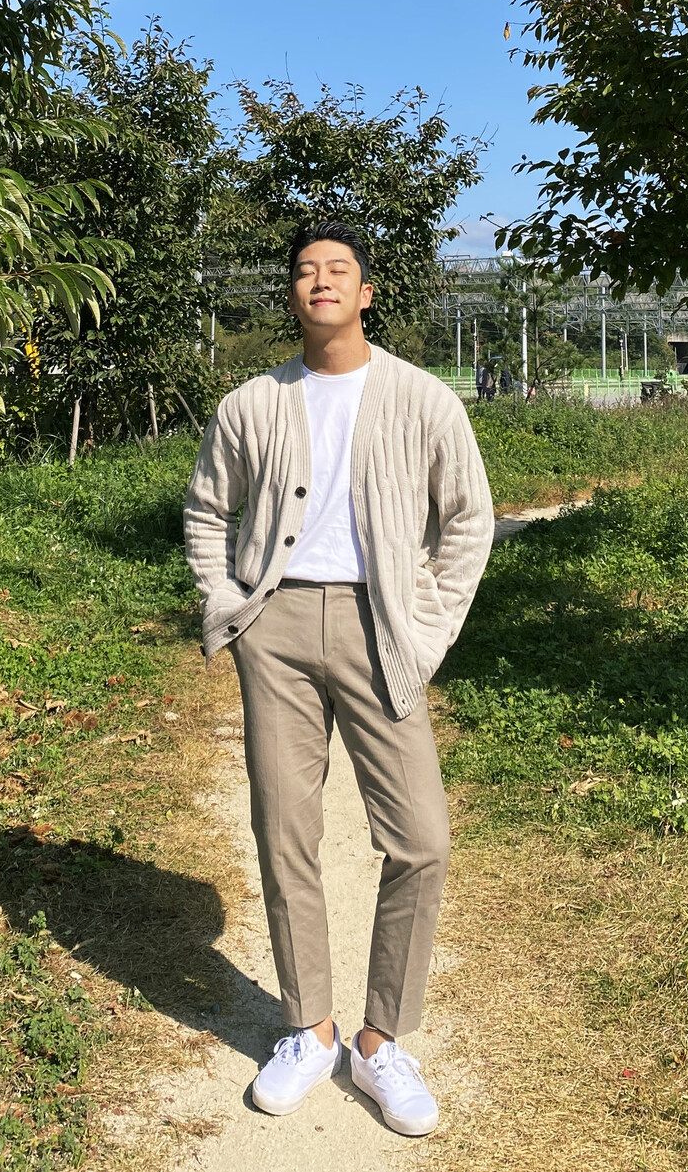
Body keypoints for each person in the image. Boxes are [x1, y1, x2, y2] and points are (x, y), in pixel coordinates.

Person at [184, 219, 494, 1137]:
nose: (321, 280)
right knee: (286, 829)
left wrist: (426, 630)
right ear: (293, 293)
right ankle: (309, 1028)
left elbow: (467, 520)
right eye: (306, 270)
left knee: (422, 838)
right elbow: (206, 509)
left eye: (339, 269)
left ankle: (379, 1039)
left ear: (366, 292)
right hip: (275, 629)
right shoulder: (252, 403)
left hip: (381, 628)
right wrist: (230, 606)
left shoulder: (422, 398)